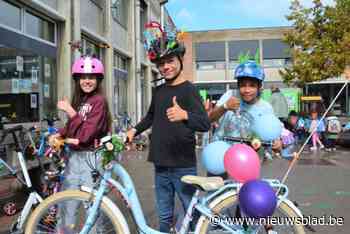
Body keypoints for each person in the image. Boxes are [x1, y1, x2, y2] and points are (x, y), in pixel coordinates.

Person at [126, 21, 210, 232]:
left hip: (183, 164)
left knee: (192, 214)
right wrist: (133, 130)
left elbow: (205, 123)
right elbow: (150, 116)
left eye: (170, 61)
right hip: (161, 163)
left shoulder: (189, 90)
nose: (166, 67)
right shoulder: (160, 91)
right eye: (161, 63)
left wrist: (184, 115)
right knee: (164, 216)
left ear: (180, 59)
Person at [50, 55, 112, 230]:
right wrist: (58, 135)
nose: (87, 81)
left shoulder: (99, 102)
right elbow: (72, 127)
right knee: (66, 203)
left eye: (91, 77)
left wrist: (70, 111)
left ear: (98, 79)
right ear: (77, 80)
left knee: (92, 207)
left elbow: (85, 135)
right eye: (83, 77)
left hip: (92, 159)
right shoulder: (81, 101)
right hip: (74, 158)